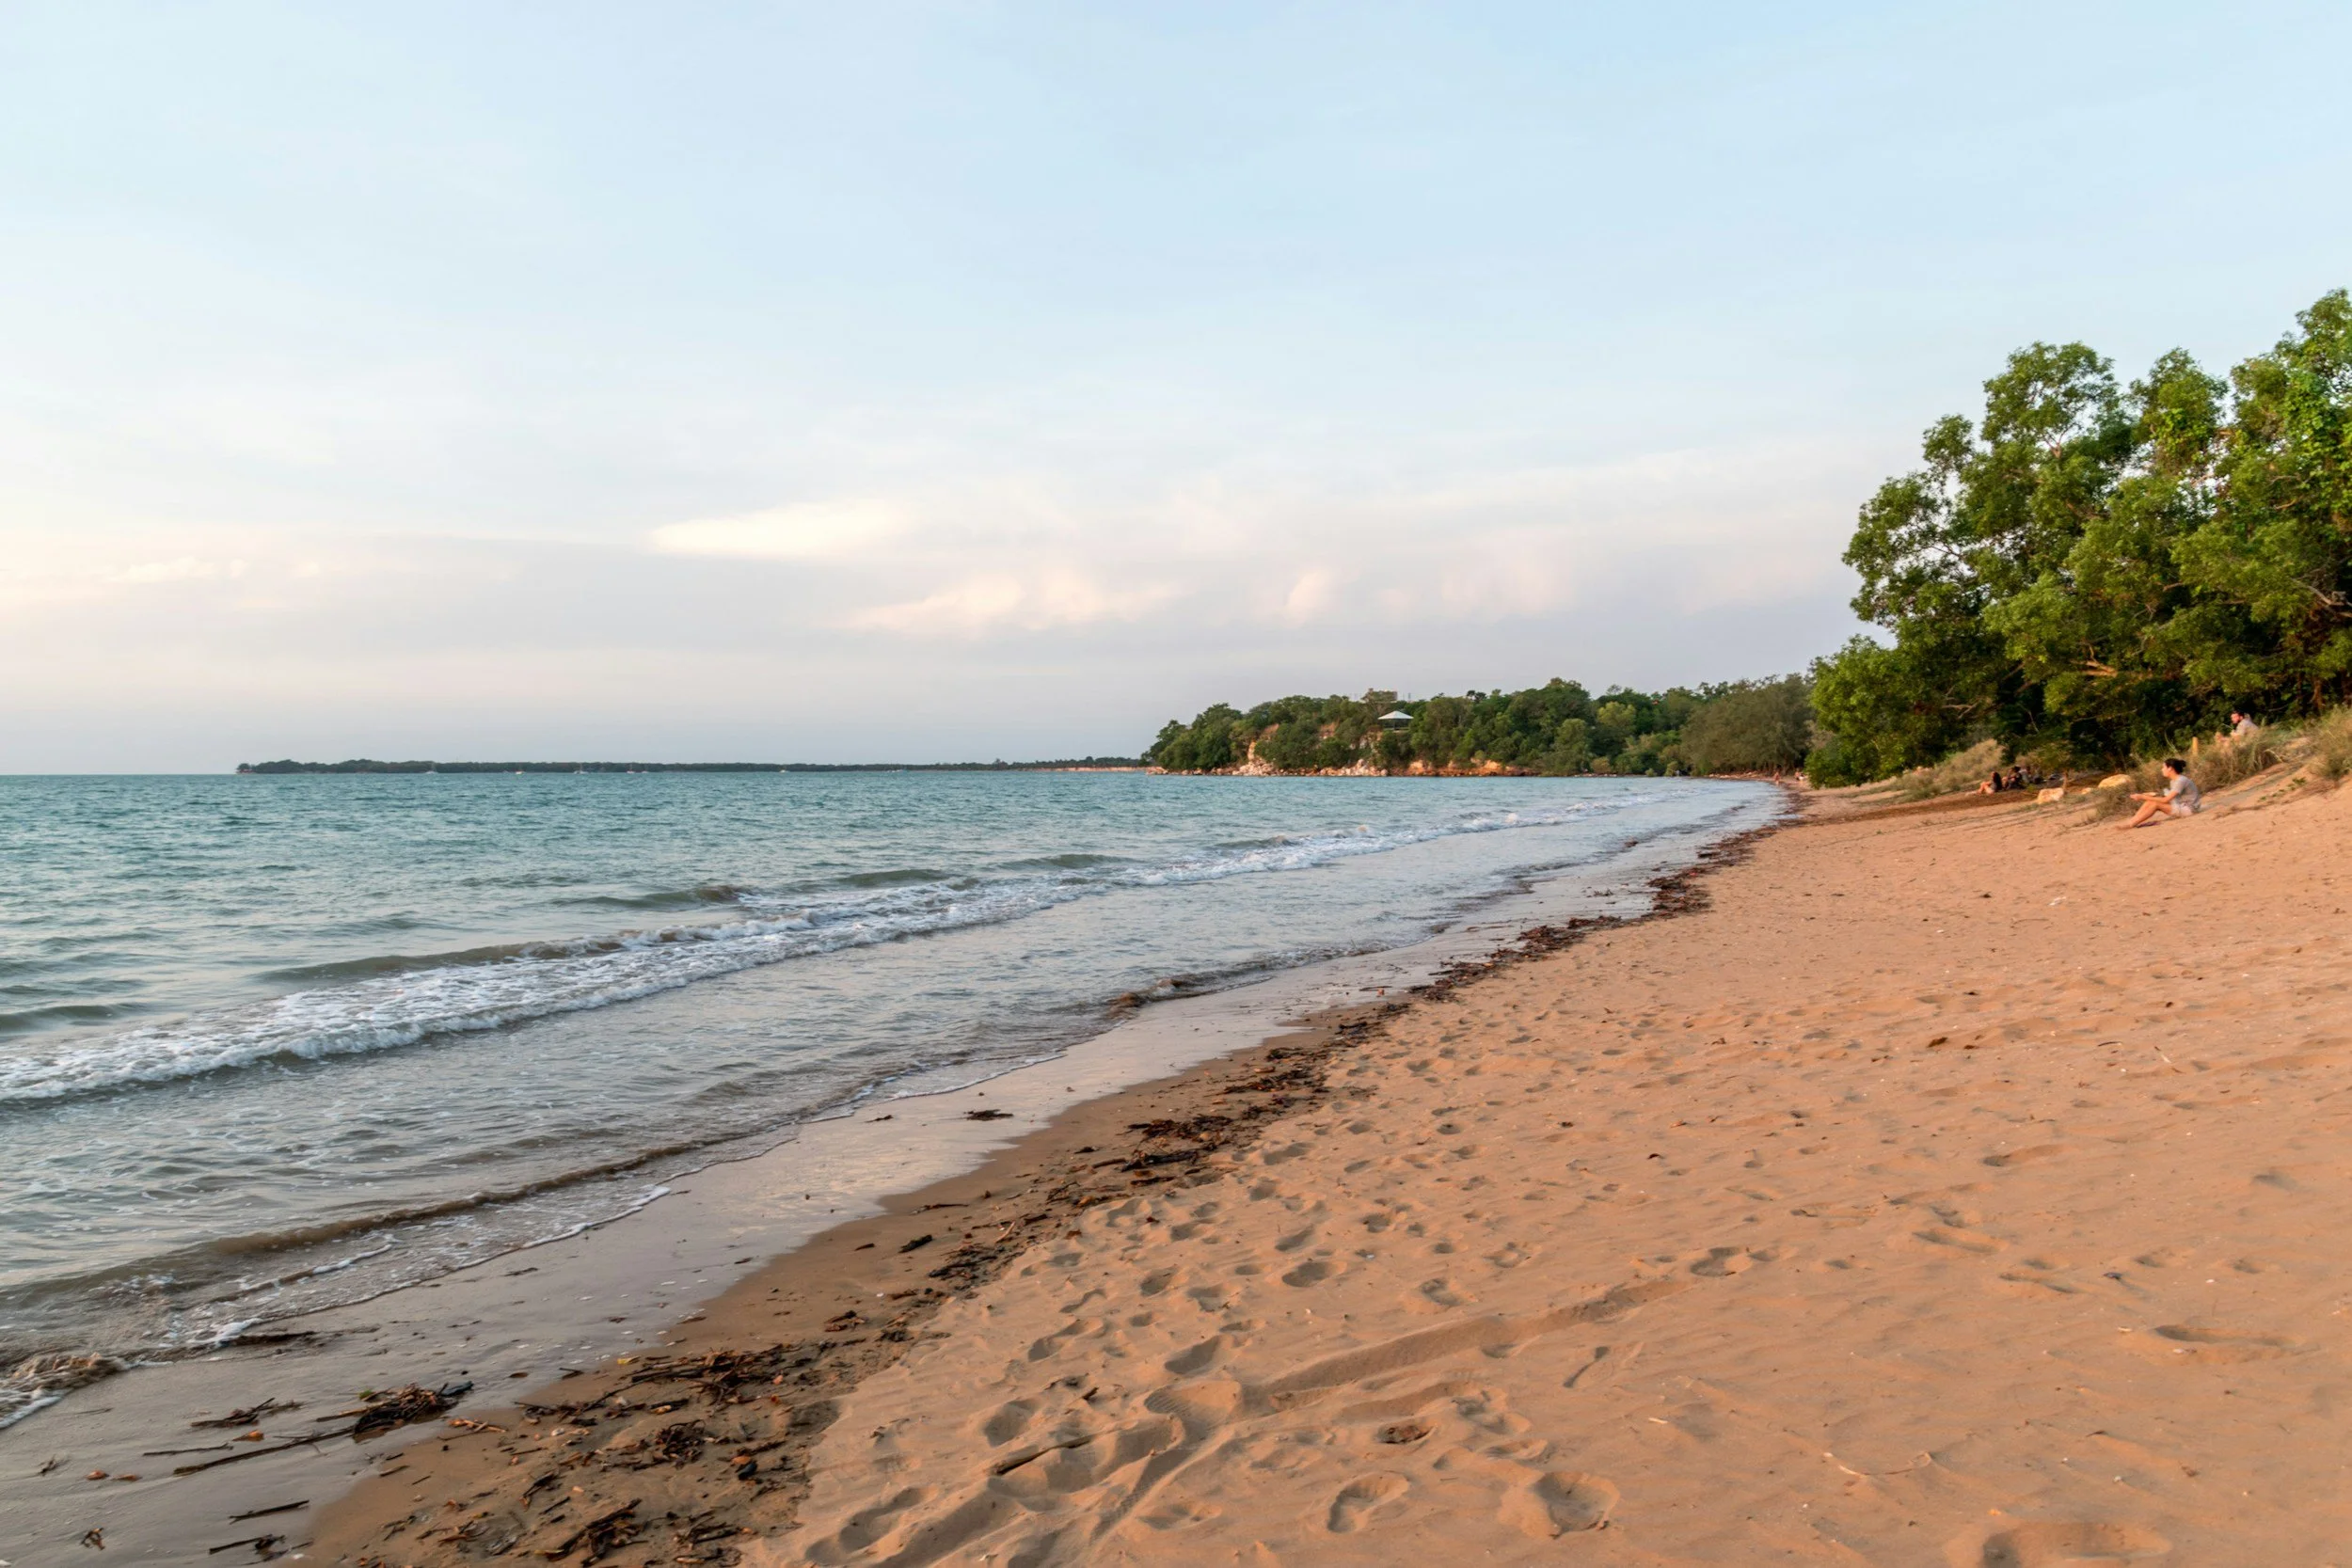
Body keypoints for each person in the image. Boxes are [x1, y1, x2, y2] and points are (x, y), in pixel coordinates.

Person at [2120, 759, 2201, 829]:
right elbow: (2168, 796)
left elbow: (2165, 800)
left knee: (2155, 804)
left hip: (2189, 810)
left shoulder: (2180, 781)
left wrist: (2142, 797)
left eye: (2163, 767)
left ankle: (2131, 824)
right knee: (2150, 801)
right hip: (2182, 806)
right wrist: (2149, 795)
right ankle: (2132, 821)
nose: (2162, 770)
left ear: (2170, 769)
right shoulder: (2174, 781)